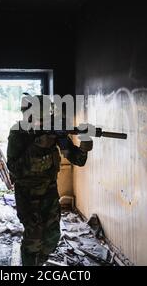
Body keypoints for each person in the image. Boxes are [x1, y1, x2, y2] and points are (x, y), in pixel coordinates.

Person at [6, 95, 93, 266]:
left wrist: (84, 147)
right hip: (26, 193)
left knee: (52, 237)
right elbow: (14, 168)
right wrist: (37, 147)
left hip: (49, 191)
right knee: (34, 237)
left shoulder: (54, 131)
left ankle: (40, 263)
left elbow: (78, 160)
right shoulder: (18, 132)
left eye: (43, 115)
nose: (37, 119)